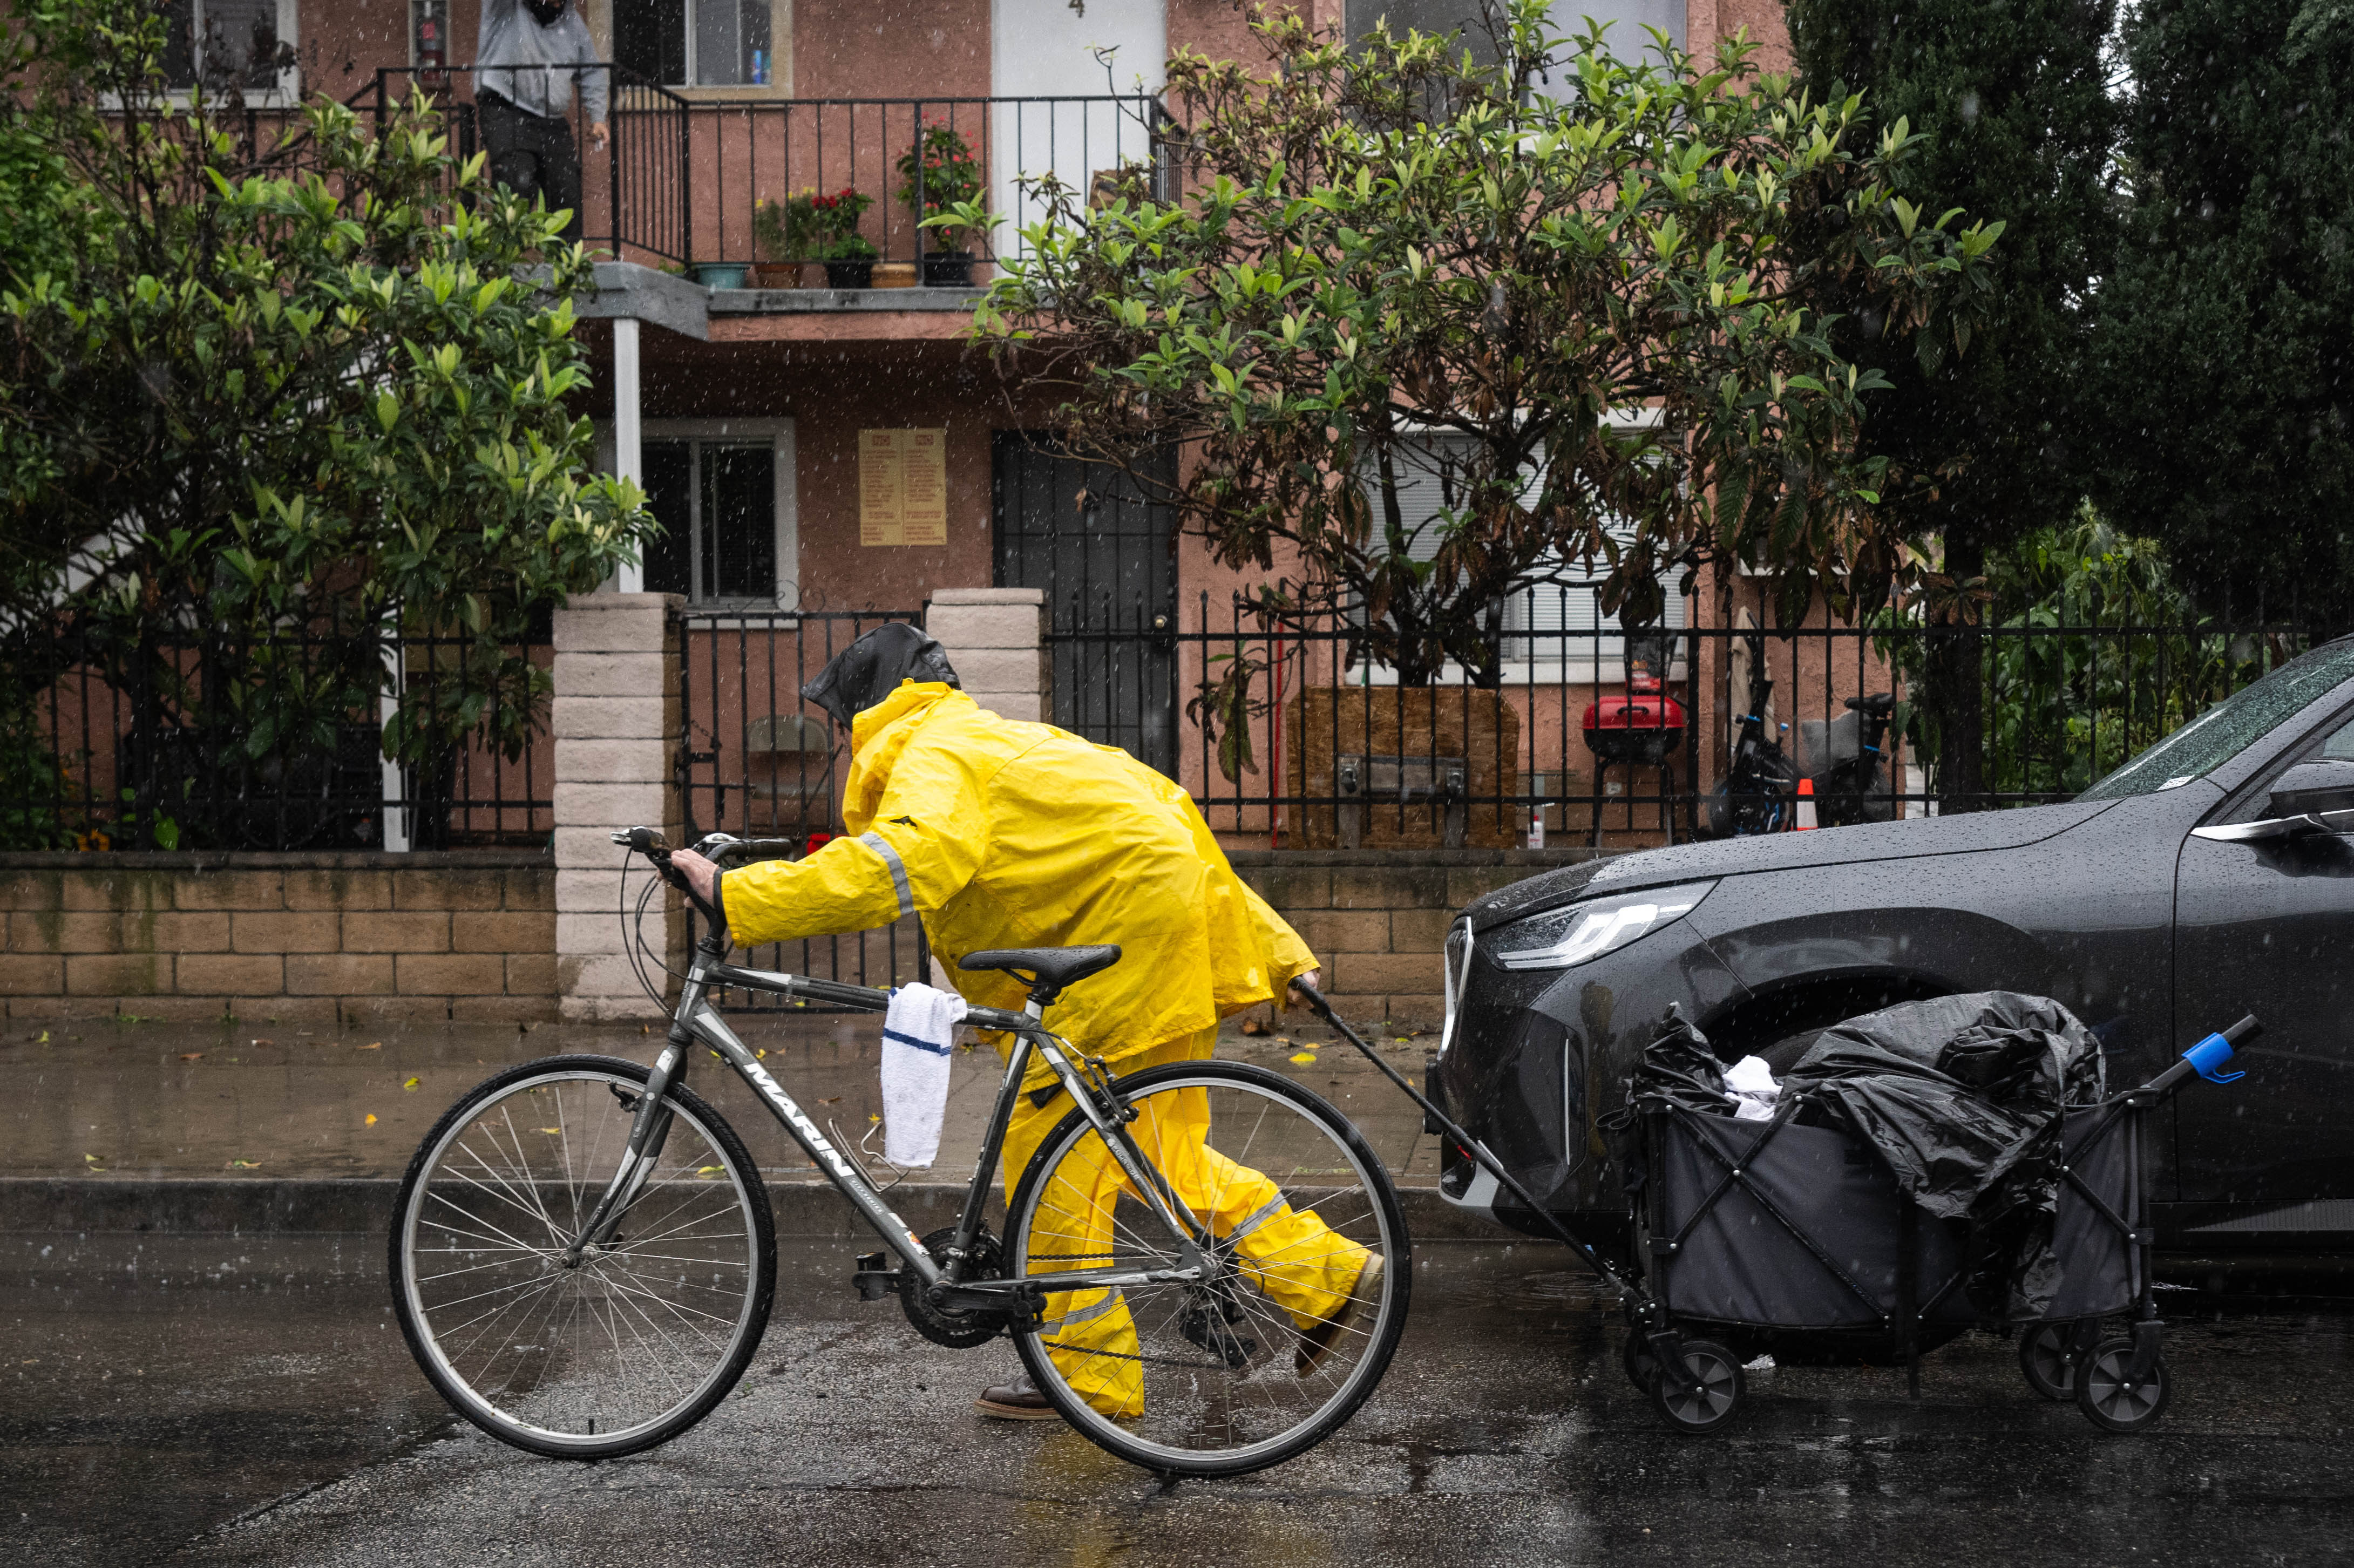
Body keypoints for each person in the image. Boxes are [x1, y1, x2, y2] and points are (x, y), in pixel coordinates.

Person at [669, 623, 1382, 1422]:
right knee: (1154, 1149)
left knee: (1053, 1167)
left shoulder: (931, 753)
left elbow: (906, 863)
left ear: (866, 709)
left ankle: (1093, 1384)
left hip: (1118, 944)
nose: (840, 739)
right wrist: (1279, 949)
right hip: (1159, 934)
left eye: (841, 722)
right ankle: (1318, 1269)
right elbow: (1166, 819)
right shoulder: (999, 740)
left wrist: (740, 896)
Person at [474, 0, 608, 244]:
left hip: (552, 121)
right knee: (515, 184)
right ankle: (505, 265)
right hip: (505, 109)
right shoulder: (505, 9)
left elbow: (592, 72)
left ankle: (567, 270)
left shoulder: (572, 23)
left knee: (567, 195)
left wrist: (597, 117)